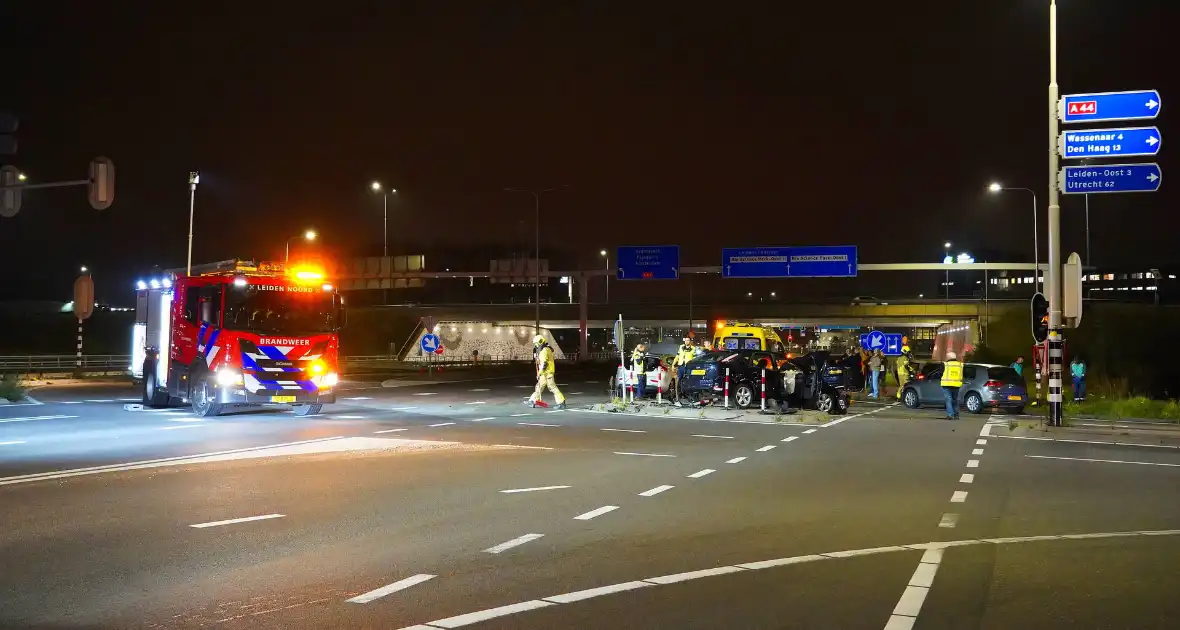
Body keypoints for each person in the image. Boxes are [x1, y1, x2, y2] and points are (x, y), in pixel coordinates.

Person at [525, 334, 565, 409]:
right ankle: (532, 400)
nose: (536, 345)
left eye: (536, 344)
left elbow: (544, 364)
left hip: (547, 372)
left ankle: (561, 402)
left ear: (540, 342)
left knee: (552, 387)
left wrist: (539, 373)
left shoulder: (544, 351)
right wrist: (537, 358)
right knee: (539, 387)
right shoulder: (547, 349)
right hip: (545, 373)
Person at [941, 351, 964, 420]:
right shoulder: (960, 365)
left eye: (947, 357)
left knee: (948, 400)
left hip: (946, 385)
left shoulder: (945, 364)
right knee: (955, 400)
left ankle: (950, 415)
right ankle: (956, 415)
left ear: (949, 357)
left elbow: (940, 373)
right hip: (956, 385)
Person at [672, 338, 695, 405]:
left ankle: (689, 397)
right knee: (678, 381)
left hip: (688, 366)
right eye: (685, 340)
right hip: (681, 366)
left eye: (688, 340)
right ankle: (677, 399)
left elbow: (695, 357)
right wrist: (673, 365)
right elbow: (677, 356)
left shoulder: (693, 348)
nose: (686, 341)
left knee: (689, 382)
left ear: (690, 341)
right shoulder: (681, 347)